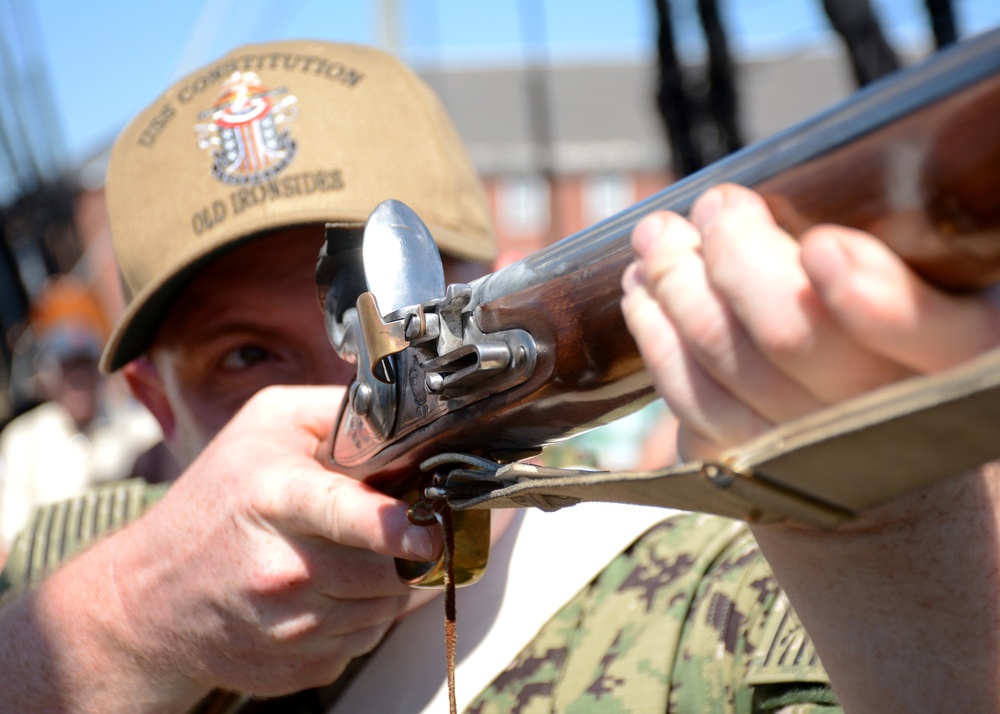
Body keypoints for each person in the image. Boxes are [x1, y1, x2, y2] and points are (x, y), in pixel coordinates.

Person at [0, 40, 668, 713]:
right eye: (246, 357)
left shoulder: (669, 558)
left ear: (506, 300)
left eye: (405, 318)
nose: (348, 391)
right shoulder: (64, 571)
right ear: (160, 405)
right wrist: (129, 623)